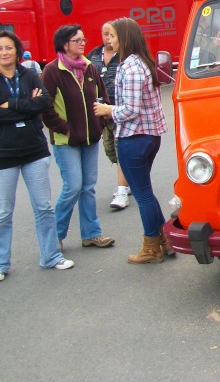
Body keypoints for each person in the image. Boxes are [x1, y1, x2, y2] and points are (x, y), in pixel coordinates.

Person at [0, 30, 73, 282]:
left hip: (34, 151)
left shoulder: (30, 74)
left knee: (43, 207)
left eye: (8, 48)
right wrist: (26, 106)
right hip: (2, 155)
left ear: (17, 51)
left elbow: (44, 103)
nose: (4, 53)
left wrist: (11, 104)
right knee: (2, 211)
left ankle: (51, 256)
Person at [93, 17, 171, 264]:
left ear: (125, 38)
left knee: (143, 194)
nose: (109, 40)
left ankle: (151, 247)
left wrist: (107, 110)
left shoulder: (130, 66)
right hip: (147, 136)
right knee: (145, 192)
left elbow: (130, 109)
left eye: (113, 36)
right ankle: (164, 241)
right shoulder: (141, 62)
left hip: (135, 137)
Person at [42, 25, 114, 251]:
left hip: (90, 138)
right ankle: (55, 236)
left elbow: (103, 97)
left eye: (84, 39)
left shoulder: (90, 68)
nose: (83, 43)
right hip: (66, 141)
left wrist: (99, 124)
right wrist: (65, 129)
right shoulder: (53, 71)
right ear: (65, 44)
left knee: (88, 187)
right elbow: (45, 108)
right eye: (78, 40)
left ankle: (92, 234)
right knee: (73, 186)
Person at [87, 22, 130, 210]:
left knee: (122, 151)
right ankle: (130, 178)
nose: (107, 38)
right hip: (101, 111)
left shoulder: (125, 56)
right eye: (105, 34)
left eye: (111, 34)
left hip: (119, 109)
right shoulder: (94, 55)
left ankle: (122, 190)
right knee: (111, 151)